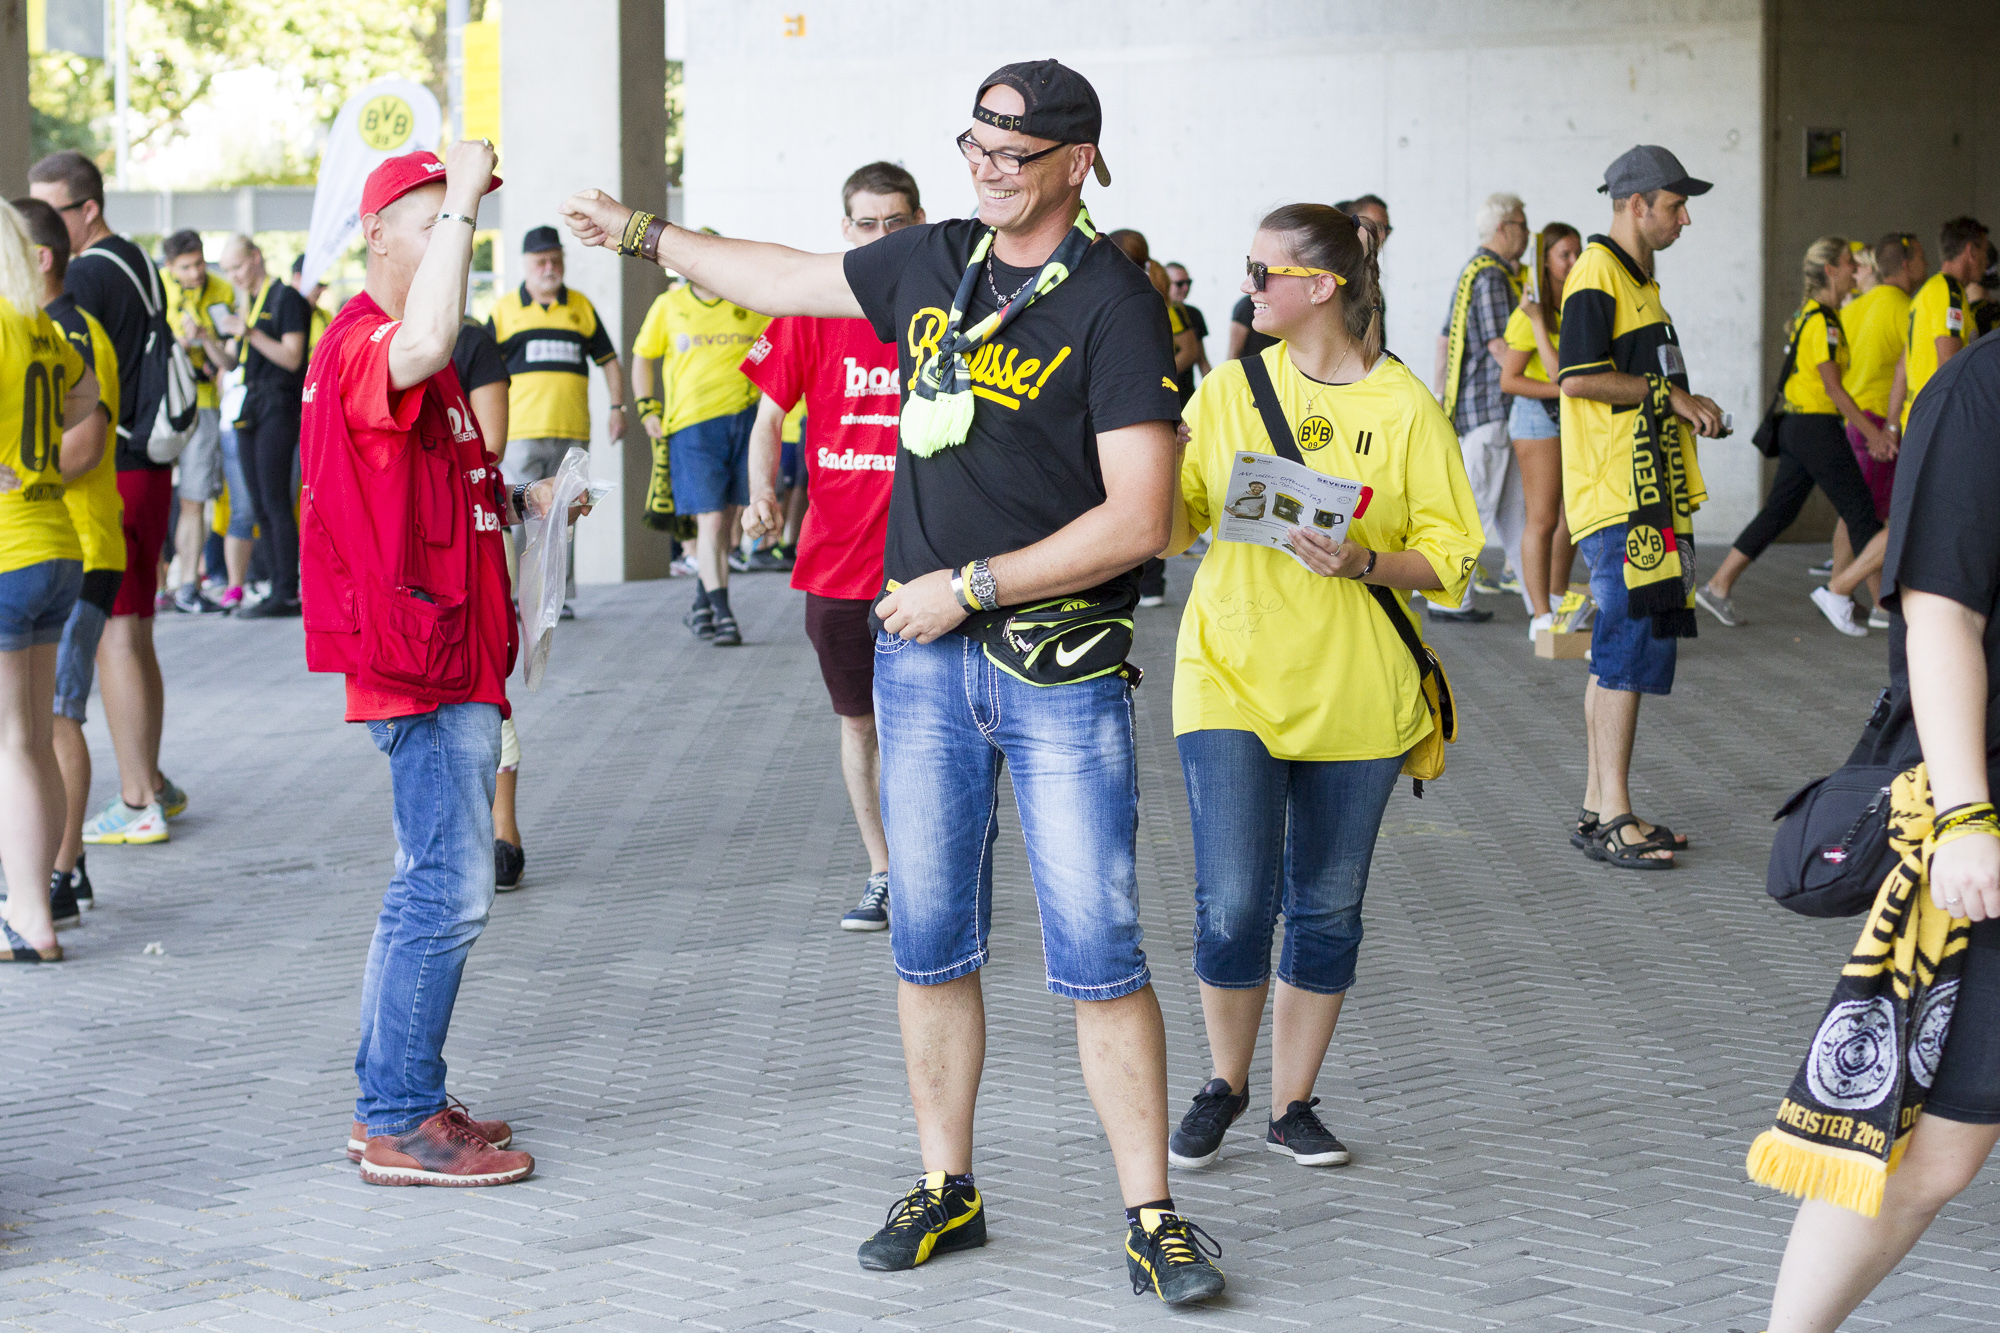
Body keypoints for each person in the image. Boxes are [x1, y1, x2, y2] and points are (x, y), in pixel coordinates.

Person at [562, 57, 1227, 1305]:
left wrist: (970, 586)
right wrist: (645, 233)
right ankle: (946, 1186)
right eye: (971, 143)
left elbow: (1140, 518)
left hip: (1053, 669)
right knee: (928, 945)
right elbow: (780, 274)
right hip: (923, 670)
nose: (983, 166)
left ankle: (1152, 1212)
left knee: (1097, 952)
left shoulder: (1114, 306)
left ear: (1075, 163)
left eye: (1009, 152)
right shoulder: (933, 260)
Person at [1162, 202, 1480, 1175]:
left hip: (1358, 692)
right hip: (1227, 674)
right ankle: (1223, 1080)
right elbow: (1174, 526)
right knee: (1231, 902)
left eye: (1264, 272)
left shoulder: (1402, 408)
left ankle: (1293, 1102)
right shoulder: (1223, 392)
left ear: (1322, 287)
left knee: (1326, 904)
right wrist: (1151, 458)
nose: (1247, 286)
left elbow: (1451, 557)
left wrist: (1364, 562)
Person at [301, 143, 584, 1187]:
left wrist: (530, 501)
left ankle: (399, 1096)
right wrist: (463, 194)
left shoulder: (420, 352)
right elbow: (420, 342)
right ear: (378, 236)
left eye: (457, 222)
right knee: (444, 891)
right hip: (420, 663)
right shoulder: (372, 342)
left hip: (450, 652)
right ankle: (398, 1118)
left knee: (429, 886)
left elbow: (450, 483)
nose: (452, 238)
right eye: (431, 222)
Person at [1757, 328, 2000, 1333]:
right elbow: (1937, 611)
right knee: (1931, 1148)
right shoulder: (1979, 389)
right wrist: (1963, 812)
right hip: (1987, 820)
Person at [739, 161, 920, 933]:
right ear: (846, 230)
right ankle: (884, 869)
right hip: (837, 561)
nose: (881, 236)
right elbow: (768, 417)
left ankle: (938, 869)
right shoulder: (811, 308)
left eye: (896, 223)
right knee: (860, 725)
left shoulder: (946, 307)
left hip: (929, 560)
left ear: (919, 223)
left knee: (935, 725)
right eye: (867, 223)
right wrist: (761, 491)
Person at [1557, 145, 1724, 868]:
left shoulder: (1636, 281)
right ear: (1636, 205)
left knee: (1611, 654)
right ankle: (1619, 814)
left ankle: (1600, 808)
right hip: (1623, 499)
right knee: (1626, 651)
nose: (1684, 218)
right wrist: (1673, 398)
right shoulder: (1598, 274)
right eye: (1675, 204)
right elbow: (1578, 380)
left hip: (1640, 496)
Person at [29, 151, 184, 846]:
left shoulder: (85, 274)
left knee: (117, 637)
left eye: (51, 212)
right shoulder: (135, 260)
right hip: (146, 467)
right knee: (137, 632)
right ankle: (149, 777)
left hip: (114, 468)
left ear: (85, 209)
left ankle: (135, 795)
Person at [0, 199, 103, 962]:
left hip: (7, 551)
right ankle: (38, 903)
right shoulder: (40, 327)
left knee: (14, 744)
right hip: (56, 544)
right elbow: (84, 399)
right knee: (30, 739)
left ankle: (30, 915)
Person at [17, 197, 124, 926]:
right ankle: (59, 868)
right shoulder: (42, 329)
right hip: (67, 544)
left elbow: (83, 444)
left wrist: (18, 466)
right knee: (41, 720)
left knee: (56, 718)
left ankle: (60, 869)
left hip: (77, 545)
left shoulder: (67, 329)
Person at [1698, 238, 1890, 637]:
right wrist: (1872, 432)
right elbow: (1833, 388)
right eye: (1849, 265)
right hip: (1816, 428)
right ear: (1831, 270)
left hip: (1800, 428)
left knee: (1780, 512)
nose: (1856, 271)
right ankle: (1884, 607)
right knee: (1860, 512)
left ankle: (1718, 586)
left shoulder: (1815, 316)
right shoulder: (1822, 321)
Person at [631, 242, 769, 647]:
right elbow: (643, 356)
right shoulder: (668, 306)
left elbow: (775, 342)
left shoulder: (745, 302)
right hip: (693, 428)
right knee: (709, 522)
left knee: (726, 525)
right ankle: (723, 613)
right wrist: (646, 407)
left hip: (744, 423)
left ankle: (701, 605)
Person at [486, 225, 626, 620]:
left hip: (572, 432)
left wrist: (618, 408)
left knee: (565, 514)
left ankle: (555, 600)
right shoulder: (502, 311)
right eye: (540, 261)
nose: (549, 267)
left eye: (555, 260)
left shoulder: (580, 307)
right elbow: (478, 371)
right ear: (525, 265)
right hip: (520, 434)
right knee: (520, 516)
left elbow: (609, 361)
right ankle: (517, 598)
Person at [451, 315, 528, 892]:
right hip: (407, 550)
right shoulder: (373, 337)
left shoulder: (469, 338)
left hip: (472, 531)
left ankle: (502, 832)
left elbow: (489, 452)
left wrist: (524, 498)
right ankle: (451, 835)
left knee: (482, 682)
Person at [1430, 192, 1529, 624]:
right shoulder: (1491, 277)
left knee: (1514, 517)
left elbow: (1444, 338)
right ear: (1503, 229)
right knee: (1472, 511)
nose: (1527, 234)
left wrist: (1440, 395)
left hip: (1485, 411)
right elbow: (1499, 346)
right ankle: (1443, 597)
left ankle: (1539, 603)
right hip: (1491, 410)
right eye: (1523, 225)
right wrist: (1547, 382)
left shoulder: (1477, 272)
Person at [214, 234, 311, 619]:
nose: (234, 276)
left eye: (237, 266)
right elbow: (234, 362)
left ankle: (288, 590)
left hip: (278, 403)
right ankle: (276, 585)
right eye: (227, 271)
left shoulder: (285, 298)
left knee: (275, 498)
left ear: (256, 258)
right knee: (257, 503)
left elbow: (291, 358)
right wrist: (209, 339)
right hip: (249, 402)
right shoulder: (248, 302)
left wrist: (250, 332)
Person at [1833, 231, 1925, 626]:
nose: (1927, 264)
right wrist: (1888, 427)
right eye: (1921, 257)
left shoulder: (1854, 308)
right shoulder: (1906, 308)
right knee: (1871, 517)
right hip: (1879, 427)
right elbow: (1909, 367)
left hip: (1853, 419)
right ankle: (1854, 597)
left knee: (1855, 510)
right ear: (1905, 265)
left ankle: (1848, 594)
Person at [1497, 222, 1582, 639]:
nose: (1574, 262)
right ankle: (1540, 614)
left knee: (1574, 517)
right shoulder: (1528, 313)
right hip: (1535, 417)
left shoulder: (1579, 306)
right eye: (1564, 254)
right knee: (1543, 518)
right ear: (1544, 260)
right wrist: (1565, 389)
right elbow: (1509, 380)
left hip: (1573, 416)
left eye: (1577, 253)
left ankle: (1558, 596)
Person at [158, 229, 233, 615]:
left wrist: (204, 340)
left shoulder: (221, 291)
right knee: (150, 496)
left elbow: (229, 362)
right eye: (186, 266)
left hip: (202, 404)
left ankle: (188, 585)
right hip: (158, 406)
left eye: (200, 262)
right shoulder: (156, 290)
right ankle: (158, 587)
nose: (196, 272)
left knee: (194, 499)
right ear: (170, 267)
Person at [1165, 262, 1210, 406]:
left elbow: (1200, 357)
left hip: (1187, 396)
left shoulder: (1193, 313)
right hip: (1164, 396)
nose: (1185, 288)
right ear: (1165, 283)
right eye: (1179, 284)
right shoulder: (1155, 313)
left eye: (1188, 283)